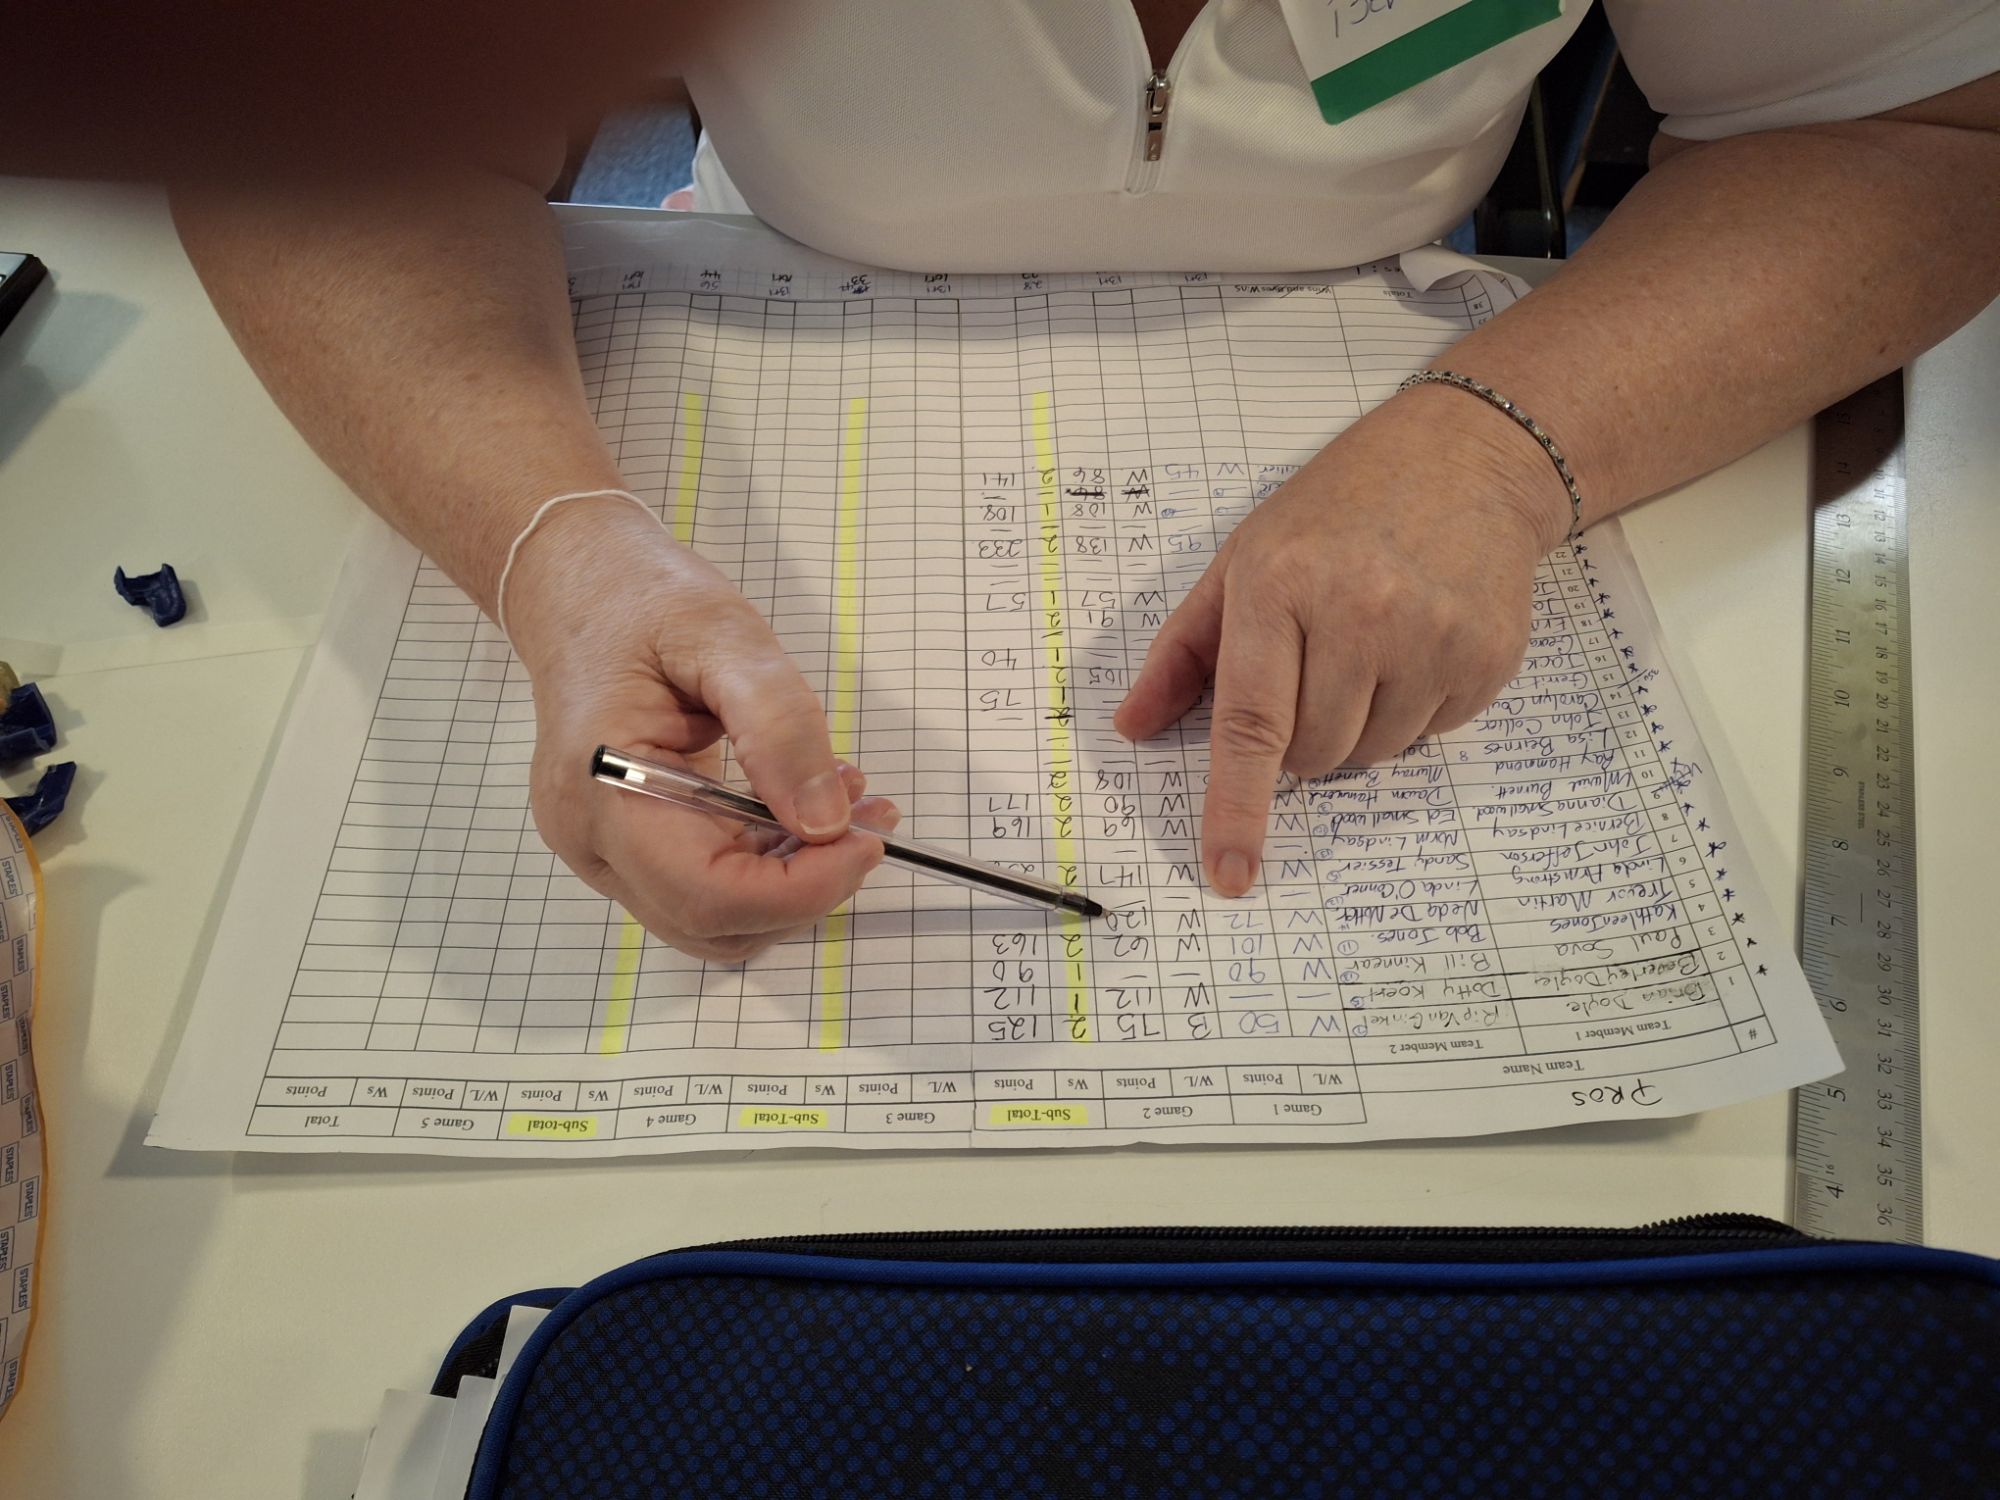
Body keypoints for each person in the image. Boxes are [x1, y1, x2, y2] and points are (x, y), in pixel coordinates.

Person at [164, 1, 2000, 960]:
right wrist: (557, 546)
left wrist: (1500, 446)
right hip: (751, 310)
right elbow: (311, 133)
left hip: (1432, 337)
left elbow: (1920, 121)